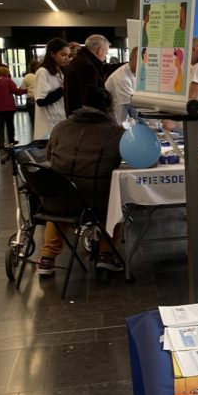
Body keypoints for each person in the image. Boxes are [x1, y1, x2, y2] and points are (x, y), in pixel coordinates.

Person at [38, 85, 126, 275]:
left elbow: (49, 155)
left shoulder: (61, 127)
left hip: (59, 199)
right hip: (96, 202)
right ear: (109, 107)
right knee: (115, 202)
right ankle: (106, 254)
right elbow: (120, 160)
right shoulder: (116, 132)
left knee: (60, 200)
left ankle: (47, 258)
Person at [33, 38, 70, 140]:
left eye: (68, 55)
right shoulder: (43, 72)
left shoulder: (59, 72)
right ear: (52, 54)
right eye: (63, 55)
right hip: (48, 125)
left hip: (59, 121)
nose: (66, 58)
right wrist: (62, 89)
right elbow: (41, 101)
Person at [64, 34, 109, 115]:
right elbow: (91, 99)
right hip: (85, 120)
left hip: (75, 117)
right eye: (106, 53)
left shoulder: (78, 61)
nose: (105, 57)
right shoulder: (87, 66)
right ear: (100, 50)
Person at [0, 67, 25, 150]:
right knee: (10, 124)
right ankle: (11, 140)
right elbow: (16, 91)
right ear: (7, 73)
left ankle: (1, 143)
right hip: (8, 107)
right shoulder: (8, 80)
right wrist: (26, 90)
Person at [105, 46, 138, 125]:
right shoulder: (121, 78)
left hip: (127, 119)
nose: (141, 65)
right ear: (130, 59)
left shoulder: (136, 72)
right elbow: (131, 107)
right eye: (138, 61)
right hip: (118, 120)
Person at [21, 60, 41, 129]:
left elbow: (23, 88)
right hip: (40, 99)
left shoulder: (27, 76)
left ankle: (35, 138)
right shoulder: (41, 75)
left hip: (30, 99)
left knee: (33, 120)